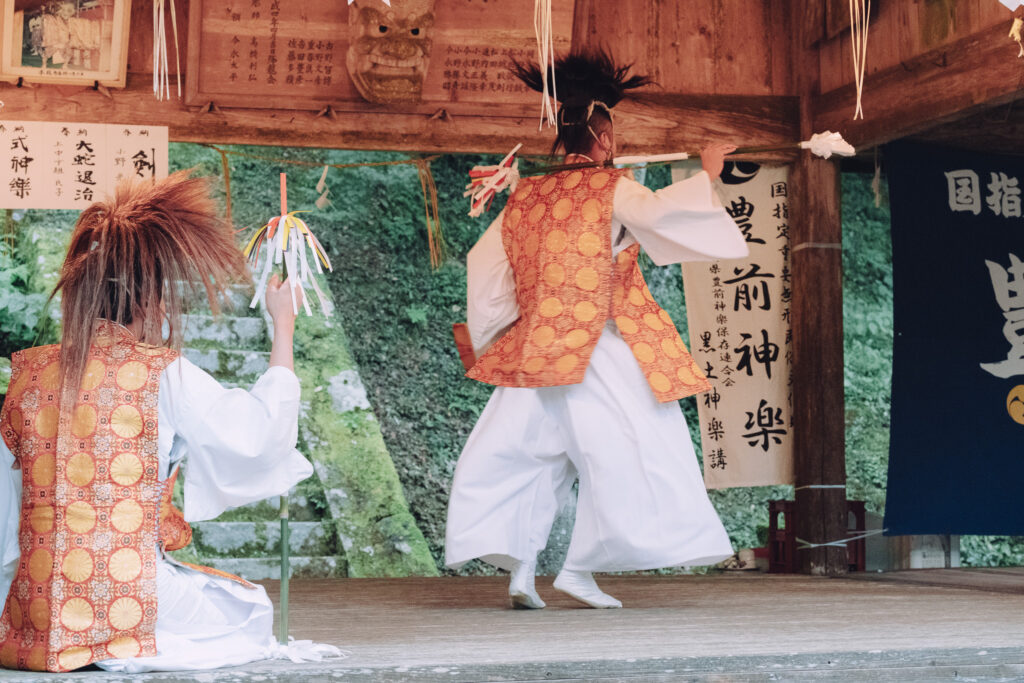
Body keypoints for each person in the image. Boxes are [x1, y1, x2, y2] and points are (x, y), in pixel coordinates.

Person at [444, 49, 749, 609]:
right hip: (596, 349)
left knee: (532, 458)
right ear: (604, 139)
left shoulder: (527, 196)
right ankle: (579, 567)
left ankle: (523, 570)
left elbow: (484, 266)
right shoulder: (612, 189)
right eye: (616, 138)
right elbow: (660, 217)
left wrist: (497, 334)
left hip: (537, 352)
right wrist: (708, 171)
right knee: (634, 451)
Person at [0, 172, 324, 672]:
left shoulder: (26, 375)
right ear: (149, 300)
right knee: (249, 614)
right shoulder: (158, 371)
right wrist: (284, 325)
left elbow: (6, 515)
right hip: (131, 593)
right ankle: (115, 642)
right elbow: (258, 437)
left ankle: (78, 639)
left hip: (34, 609)